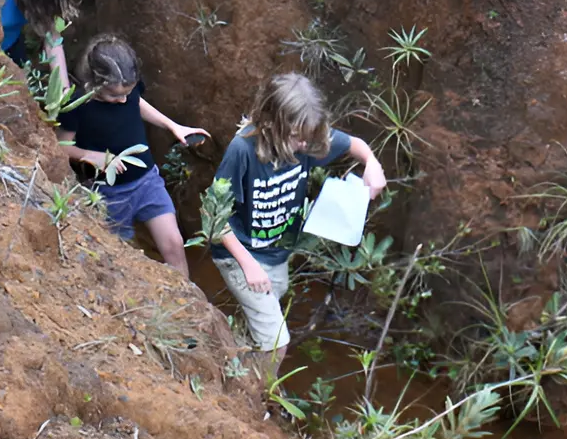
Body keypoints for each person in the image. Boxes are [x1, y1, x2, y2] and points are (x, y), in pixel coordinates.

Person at [210, 72, 386, 371]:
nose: (304, 144)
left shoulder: (304, 141)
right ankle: (262, 398)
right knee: (278, 342)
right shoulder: (242, 151)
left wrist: (372, 164)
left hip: (277, 253)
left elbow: (355, 144)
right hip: (238, 254)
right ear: (269, 123)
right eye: (296, 137)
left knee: (265, 321)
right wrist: (248, 263)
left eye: (308, 137)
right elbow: (214, 217)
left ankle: (240, 366)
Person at [56, 35, 208, 278]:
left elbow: (136, 102)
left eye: (128, 92)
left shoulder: (129, 88)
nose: (123, 100)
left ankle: (188, 301)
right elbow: (60, 146)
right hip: (108, 194)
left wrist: (173, 126)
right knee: (120, 254)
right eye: (115, 96)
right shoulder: (76, 105)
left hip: (147, 181)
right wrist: (92, 156)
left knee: (174, 244)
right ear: (94, 84)